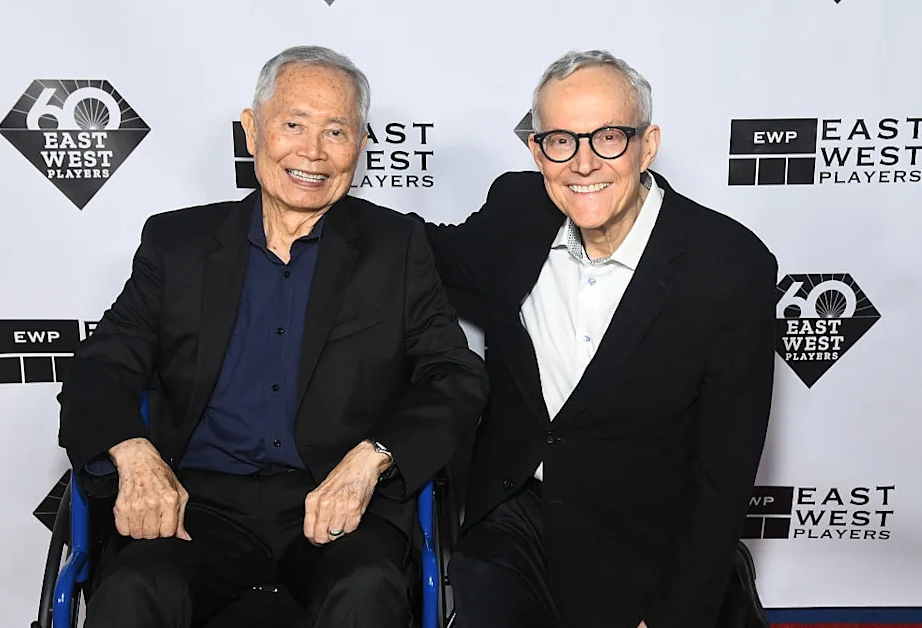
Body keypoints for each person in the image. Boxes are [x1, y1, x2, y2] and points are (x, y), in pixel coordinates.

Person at [57, 45, 487, 628]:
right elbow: (100, 367)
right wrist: (133, 454)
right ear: (253, 130)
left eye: (336, 131)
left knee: (367, 591)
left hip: (341, 508)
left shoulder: (396, 248)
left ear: (360, 146)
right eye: (293, 125)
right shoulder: (177, 243)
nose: (312, 152)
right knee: (134, 588)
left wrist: (373, 458)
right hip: (200, 504)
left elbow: (455, 374)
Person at [419, 50, 777, 628]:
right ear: (537, 150)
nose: (583, 163)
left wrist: (672, 615)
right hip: (516, 521)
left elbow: (723, 476)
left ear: (647, 144)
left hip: (645, 536)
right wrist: (317, 196)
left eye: (608, 137)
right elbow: (424, 252)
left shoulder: (730, 268)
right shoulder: (516, 212)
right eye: (560, 140)